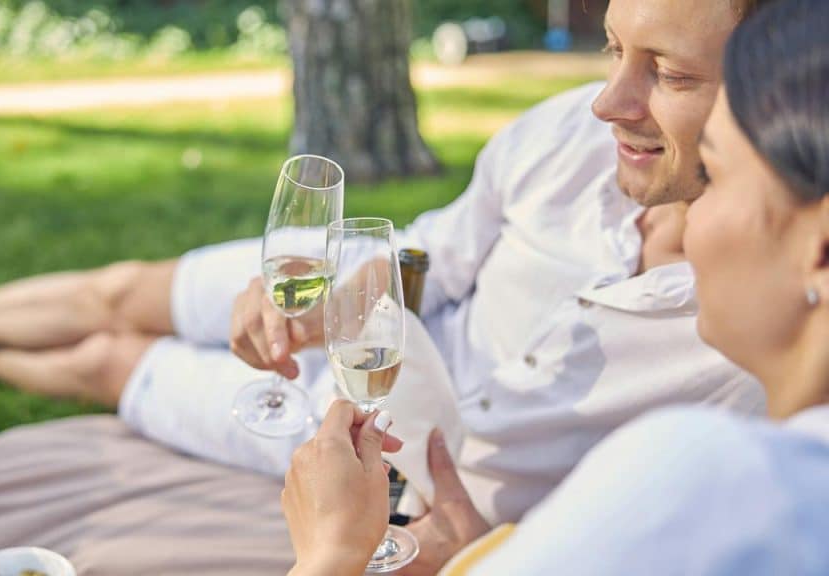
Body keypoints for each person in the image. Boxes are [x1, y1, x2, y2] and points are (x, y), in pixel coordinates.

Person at [282, 1, 829, 574]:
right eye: (613, 49)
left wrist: (332, 552)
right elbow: (436, 246)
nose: (690, 228)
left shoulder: (702, 473)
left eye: (718, 180)